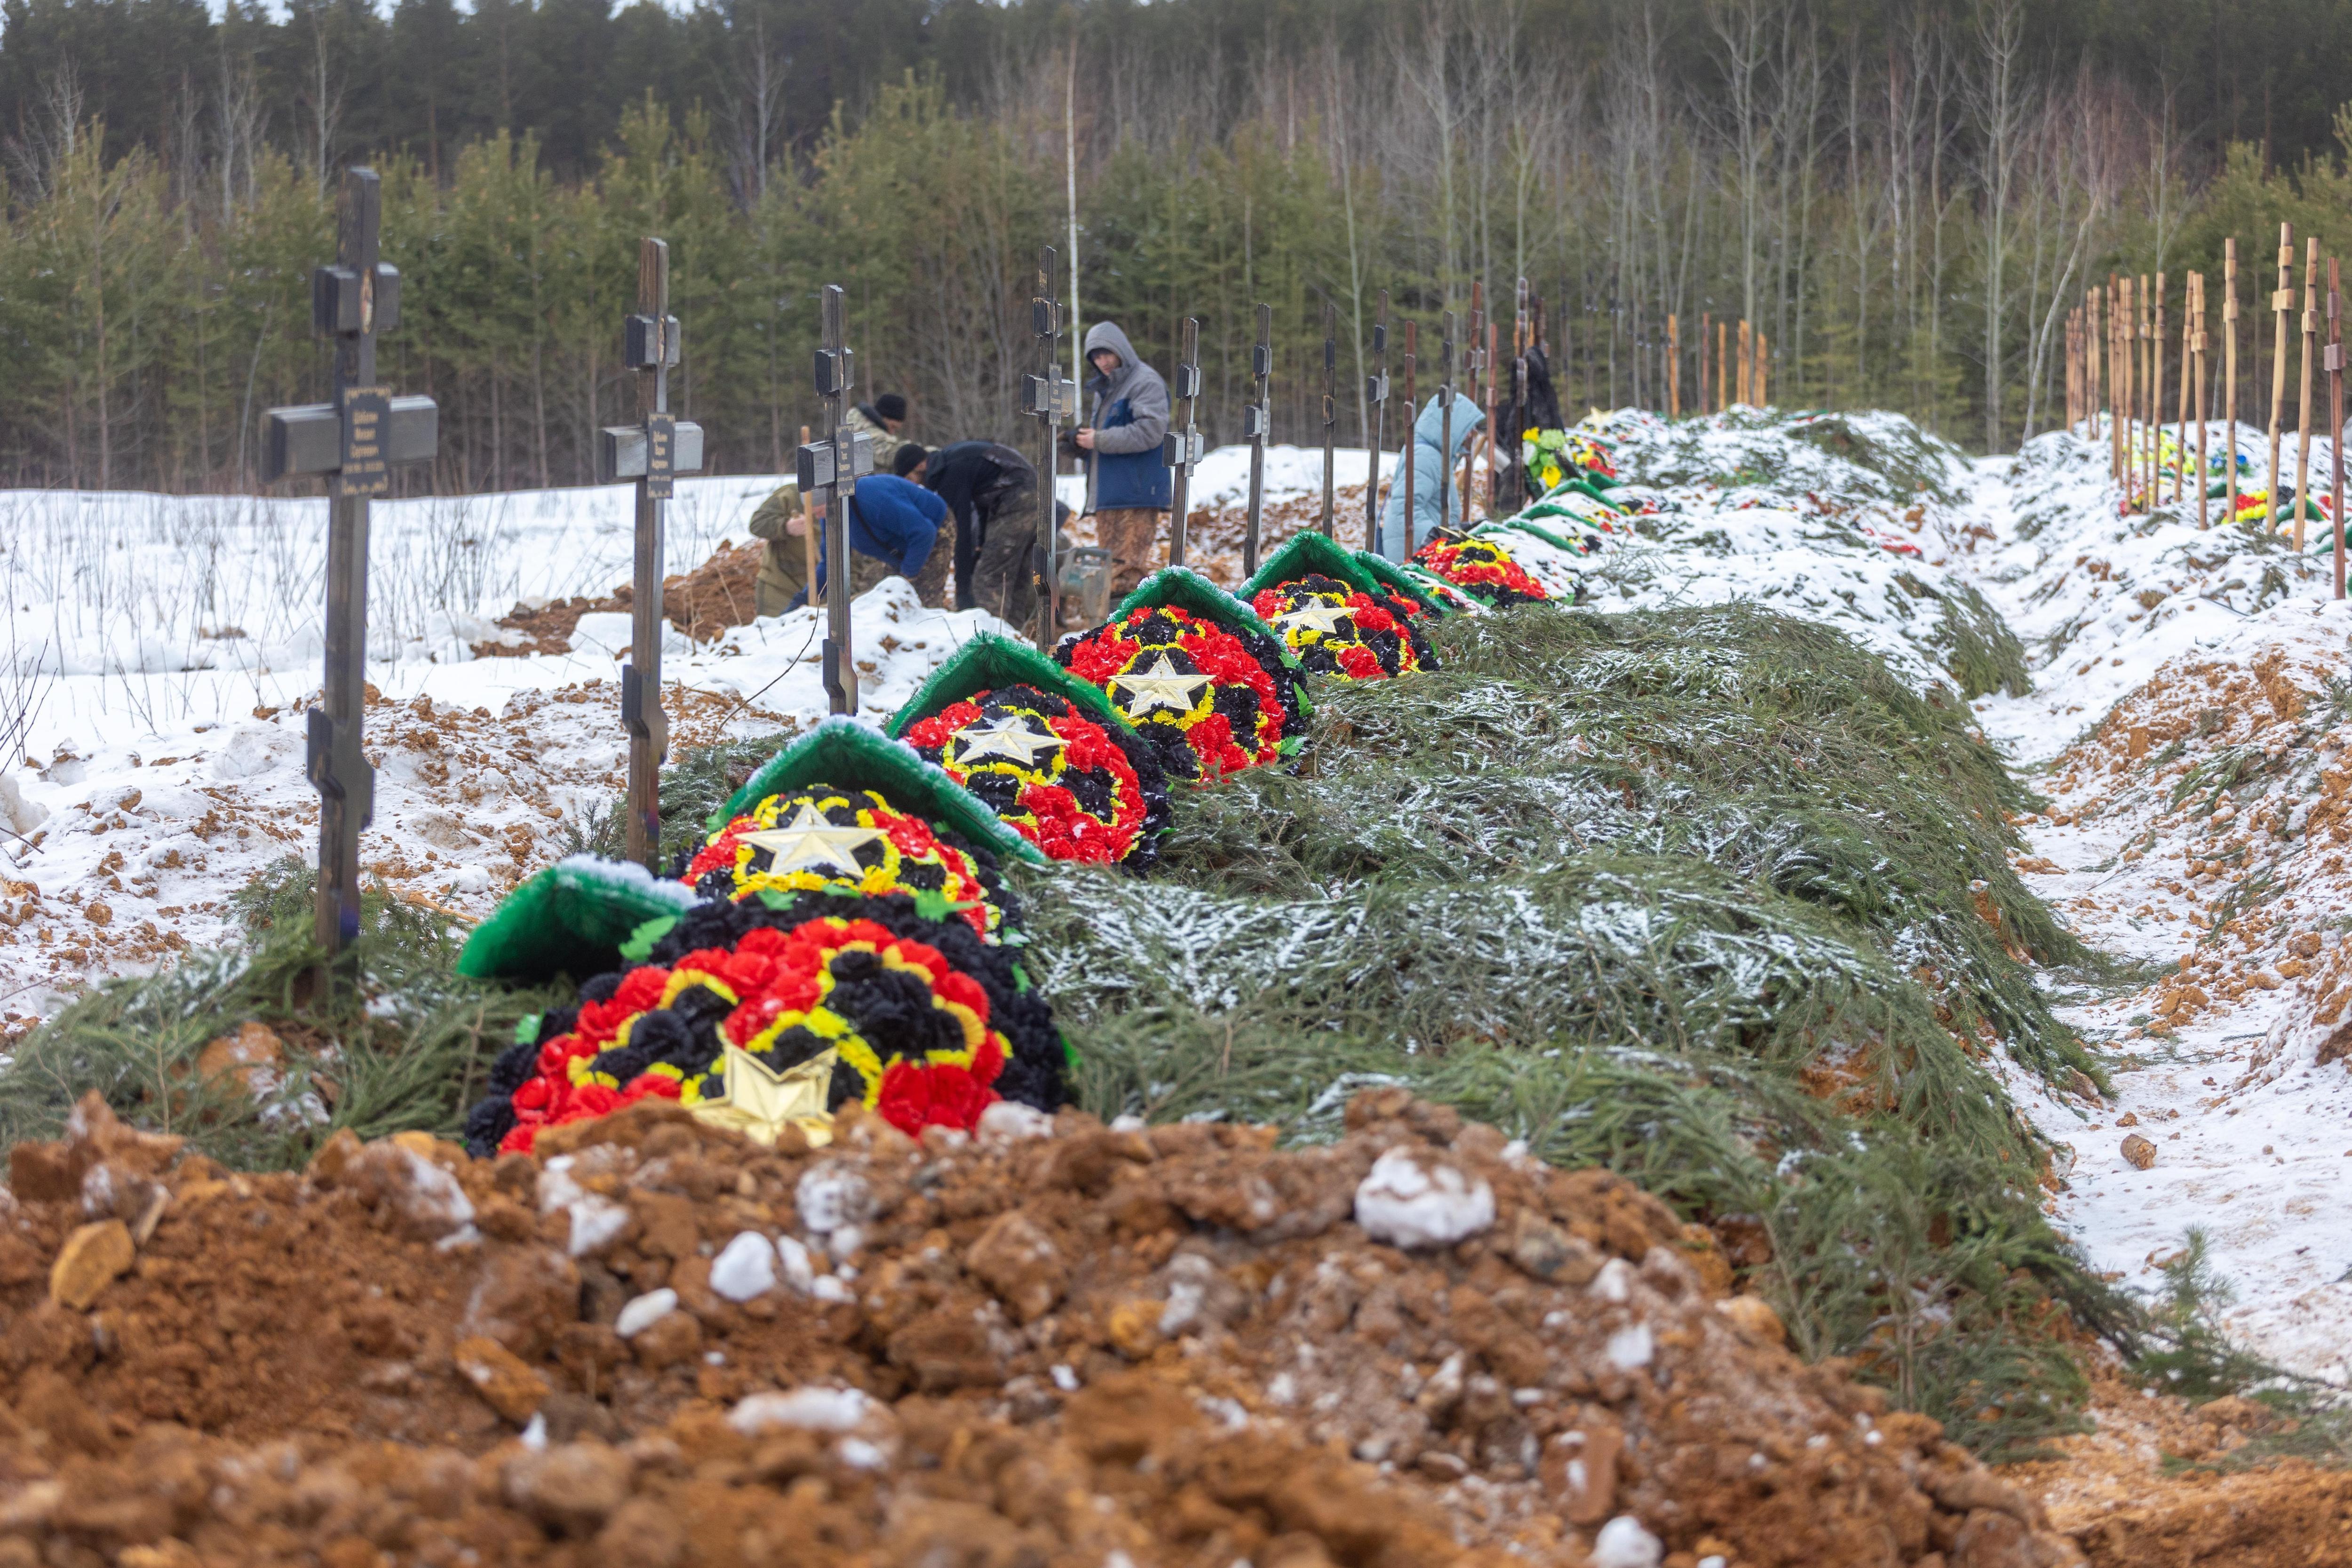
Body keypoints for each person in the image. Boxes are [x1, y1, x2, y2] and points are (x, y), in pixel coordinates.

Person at [1073, 323, 1169, 599]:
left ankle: (1128, 636)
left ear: (1121, 350)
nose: (1102, 362)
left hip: (1137, 492)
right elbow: (1112, 435)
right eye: (1096, 357)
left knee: (1128, 575)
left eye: (1107, 354)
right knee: (1111, 570)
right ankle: (1112, 634)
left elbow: (1151, 432)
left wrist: (1099, 440)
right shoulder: (1108, 388)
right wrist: (1080, 444)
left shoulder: (1144, 382)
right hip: (1113, 493)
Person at [924, 440, 1036, 613]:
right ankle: (1014, 634)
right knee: (1016, 575)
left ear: (918, 467)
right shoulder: (954, 457)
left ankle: (987, 636)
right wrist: (981, 546)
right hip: (1033, 492)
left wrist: (962, 592)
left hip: (1017, 498)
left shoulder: (949, 473)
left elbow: (960, 530)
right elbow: (984, 505)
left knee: (989, 577)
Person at [812, 470, 949, 604]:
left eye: (820, 511)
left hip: (932, 532)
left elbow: (923, 532)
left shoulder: (873, 497)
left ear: (835, 499)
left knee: (916, 601)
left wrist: (907, 576)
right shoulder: (830, 516)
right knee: (887, 602)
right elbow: (832, 563)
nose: (819, 517)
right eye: (815, 514)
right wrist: (806, 598)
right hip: (896, 549)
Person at [1378, 390, 1484, 562]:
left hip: (1420, 553)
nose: (1471, 435)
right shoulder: (1425, 456)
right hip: (1413, 556)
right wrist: (1443, 541)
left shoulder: (1435, 456)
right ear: (1453, 425)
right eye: (1468, 429)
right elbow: (1405, 511)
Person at [745, 476, 814, 619]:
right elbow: (757, 524)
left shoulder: (848, 497)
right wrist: (786, 527)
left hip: (826, 589)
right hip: (781, 587)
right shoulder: (792, 495)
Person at [847, 391, 911, 478]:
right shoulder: (869, 435)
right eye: (893, 427)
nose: (892, 433)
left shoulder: (855, 419)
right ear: (885, 418)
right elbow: (893, 455)